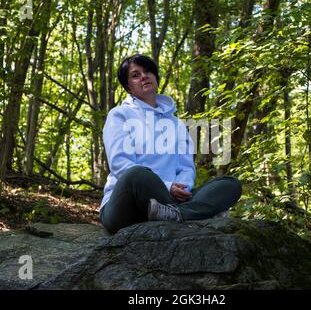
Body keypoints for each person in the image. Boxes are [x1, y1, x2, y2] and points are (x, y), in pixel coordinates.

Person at [100, 54, 242, 234]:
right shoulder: (119, 115)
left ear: (155, 77)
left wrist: (182, 189)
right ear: (129, 87)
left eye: (147, 71)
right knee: (137, 174)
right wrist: (168, 186)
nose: (144, 76)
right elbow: (120, 164)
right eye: (135, 75)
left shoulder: (176, 124)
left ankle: (176, 214)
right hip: (127, 205)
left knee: (230, 184)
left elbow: (187, 168)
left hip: (171, 200)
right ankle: (197, 213)